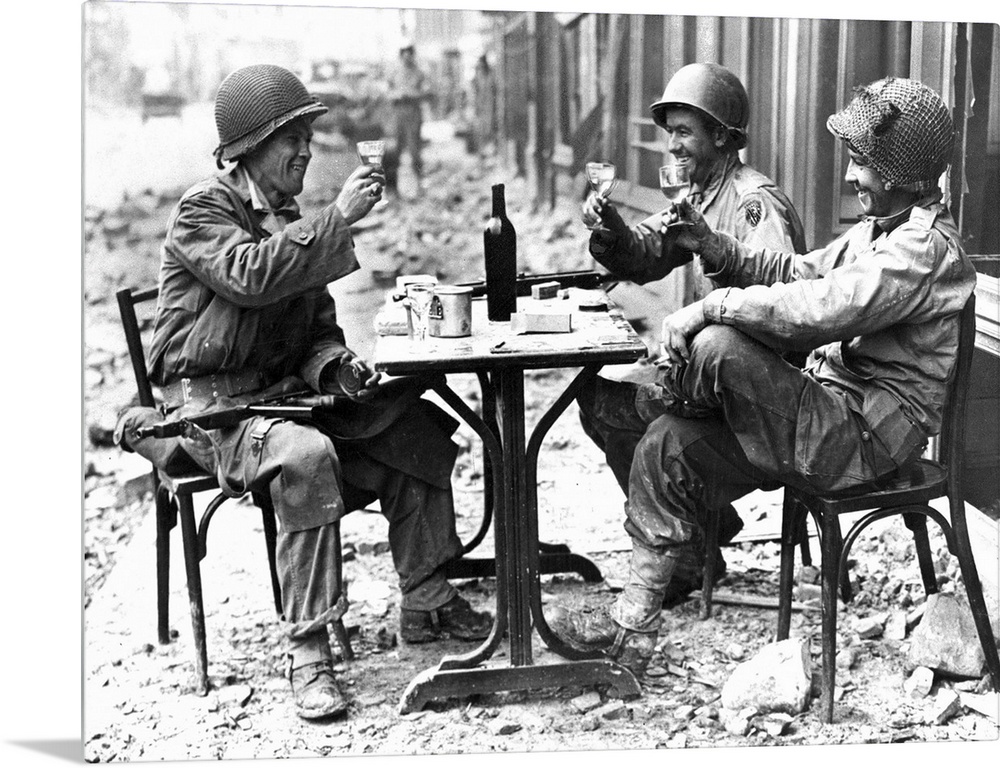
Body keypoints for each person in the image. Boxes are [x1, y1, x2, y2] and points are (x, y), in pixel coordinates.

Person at [553, 76, 974, 676]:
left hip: (864, 441)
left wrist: (711, 305)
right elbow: (796, 269)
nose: (852, 177)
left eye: (862, 164)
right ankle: (632, 627)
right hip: (827, 417)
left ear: (902, 173)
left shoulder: (923, 250)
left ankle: (672, 389)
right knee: (666, 441)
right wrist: (715, 245)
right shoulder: (879, 229)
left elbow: (825, 307)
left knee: (718, 344)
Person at [119, 64, 491, 721]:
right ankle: (309, 652)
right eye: (292, 136)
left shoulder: (288, 219)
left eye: (308, 135)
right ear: (248, 149)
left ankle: (427, 601)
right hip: (217, 416)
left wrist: (340, 369)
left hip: (281, 399)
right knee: (306, 457)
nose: (306, 149)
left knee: (415, 423)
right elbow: (250, 277)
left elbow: (318, 331)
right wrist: (339, 219)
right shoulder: (203, 210)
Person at [577, 63, 807, 602]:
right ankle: (699, 536)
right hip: (708, 372)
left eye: (684, 133)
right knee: (598, 397)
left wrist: (716, 260)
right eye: (669, 132)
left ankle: (684, 552)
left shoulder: (754, 201)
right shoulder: (698, 195)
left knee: (622, 408)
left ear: (723, 137)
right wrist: (609, 226)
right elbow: (646, 253)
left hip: (755, 385)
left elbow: (786, 290)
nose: (671, 146)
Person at [388, 44, 430, 191]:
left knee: (414, 149)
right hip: (398, 113)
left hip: (413, 113)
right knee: (395, 149)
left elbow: (426, 93)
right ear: (401, 56)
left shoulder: (419, 73)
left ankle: (419, 184)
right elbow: (388, 93)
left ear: (412, 55)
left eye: (409, 54)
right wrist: (397, 95)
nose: (407, 58)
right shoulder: (394, 73)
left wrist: (411, 94)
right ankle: (393, 187)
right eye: (404, 55)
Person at [470, 54, 498, 157]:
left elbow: (494, 90)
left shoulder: (491, 75)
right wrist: (476, 106)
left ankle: (490, 152)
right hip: (481, 107)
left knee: (490, 129)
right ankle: (482, 152)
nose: (481, 68)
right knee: (480, 129)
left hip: (490, 106)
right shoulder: (478, 76)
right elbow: (475, 92)